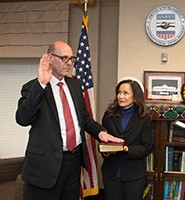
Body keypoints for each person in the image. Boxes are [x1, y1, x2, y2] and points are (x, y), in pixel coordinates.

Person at [15, 41, 124, 200]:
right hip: (46, 165)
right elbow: (22, 119)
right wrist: (41, 84)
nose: (69, 63)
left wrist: (101, 133)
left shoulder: (74, 85)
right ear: (50, 58)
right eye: (64, 58)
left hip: (73, 161)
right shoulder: (33, 87)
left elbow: (84, 118)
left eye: (71, 59)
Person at [101, 79, 153, 200]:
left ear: (135, 96)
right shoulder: (108, 115)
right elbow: (103, 140)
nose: (120, 96)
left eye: (125, 93)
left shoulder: (144, 118)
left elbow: (147, 148)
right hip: (111, 174)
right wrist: (106, 151)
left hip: (134, 175)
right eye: (119, 92)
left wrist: (126, 149)